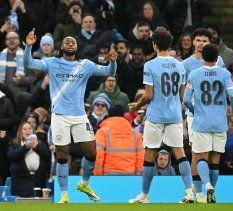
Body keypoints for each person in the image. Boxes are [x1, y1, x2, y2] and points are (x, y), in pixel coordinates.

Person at [23, 28, 118, 203]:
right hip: (59, 116)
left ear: (77, 47)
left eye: (73, 42)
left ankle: (84, 183)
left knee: (91, 152)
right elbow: (29, 63)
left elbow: (109, 72)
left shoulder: (86, 65)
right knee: (62, 155)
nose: (70, 43)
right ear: (61, 46)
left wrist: (113, 62)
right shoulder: (52, 62)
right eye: (66, 41)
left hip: (80, 116)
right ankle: (65, 194)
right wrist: (29, 47)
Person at [128, 27, 194, 203]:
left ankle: (144, 195)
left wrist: (137, 105)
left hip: (156, 116)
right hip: (174, 115)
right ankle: (189, 193)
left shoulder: (150, 65)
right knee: (180, 153)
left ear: (154, 44)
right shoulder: (180, 65)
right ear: (170, 44)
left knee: (150, 154)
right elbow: (181, 95)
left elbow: (148, 95)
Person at [183, 43, 233, 203]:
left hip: (201, 122)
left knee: (200, 157)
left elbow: (186, 100)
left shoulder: (194, 74)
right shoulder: (224, 73)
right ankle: (211, 194)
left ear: (202, 56)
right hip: (220, 123)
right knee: (215, 160)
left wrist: (195, 111)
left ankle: (206, 184)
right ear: (217, 57)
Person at [182, 28, 226, 202]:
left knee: (210, 153)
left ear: (209, 43)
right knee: (197, 153)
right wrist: (188, 113)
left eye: (204, 41)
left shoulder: (219, 61)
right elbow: (183, 92)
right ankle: (199, 193)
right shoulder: (186, 64)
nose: (201, 43)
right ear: (193, 42)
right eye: (198, 40)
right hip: (195, 111)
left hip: (215, 112)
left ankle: (203, 192)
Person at [94, 105, 144, 176]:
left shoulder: (102, 132)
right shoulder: (136, 134)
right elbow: (140, 157)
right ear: (123, 115)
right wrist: (137, 176)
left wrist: (98, 175)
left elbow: (98, 155)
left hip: (107, 176)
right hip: (130, 176)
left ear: (109, 115)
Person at [7, 122, 51, 197]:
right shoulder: (14, 143)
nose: (28, 131)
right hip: (20, 183)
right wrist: (26, 147)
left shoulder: (40, 143)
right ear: (20, 132)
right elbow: (11, 156)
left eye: (29, 129)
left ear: (33, 131)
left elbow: (48, 155)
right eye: (25, 129)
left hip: (38, 182)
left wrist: (36, 147)